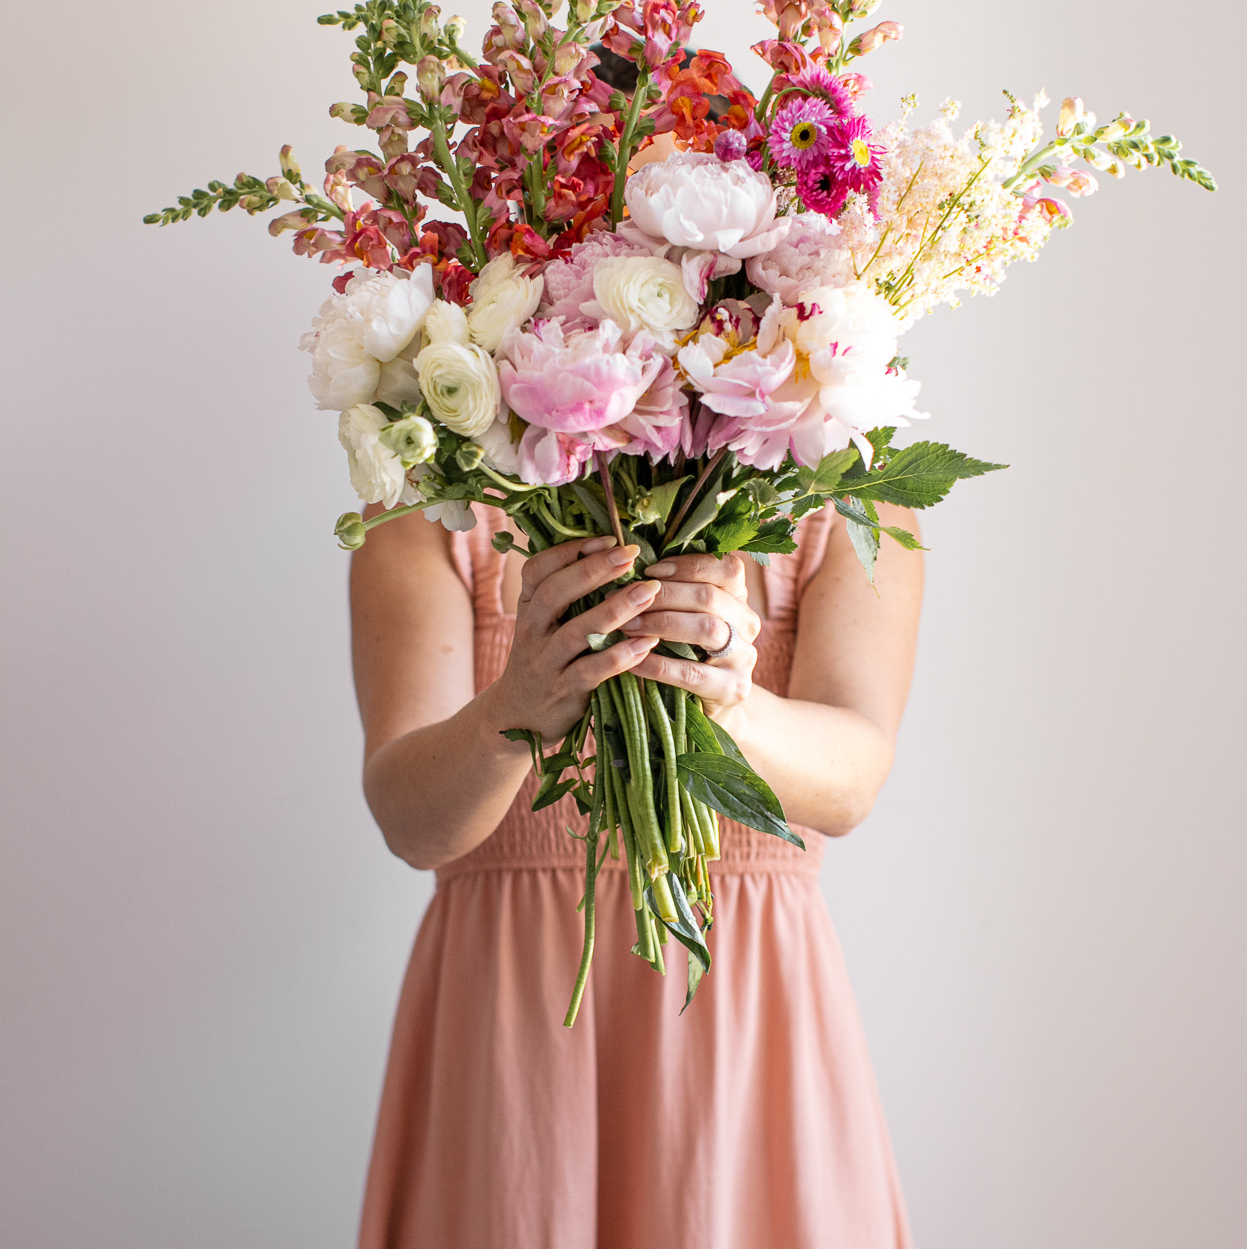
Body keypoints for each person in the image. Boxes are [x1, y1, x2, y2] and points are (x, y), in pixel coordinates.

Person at [350, 489, 924, 1249]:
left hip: (745, 1024)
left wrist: (732, 705)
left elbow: (852, 785)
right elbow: (411, 822)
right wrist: (514, 709)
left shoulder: (836, 487)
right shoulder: (437, 499)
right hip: (514, 1022)